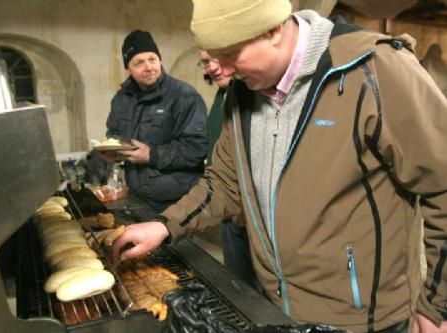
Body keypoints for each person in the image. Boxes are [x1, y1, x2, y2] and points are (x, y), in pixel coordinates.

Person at [112, 2, 447, 332]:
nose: (221, 71)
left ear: (273, 30)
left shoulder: (373, 69)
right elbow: (225, 183)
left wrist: (438, 305)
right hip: (279, 310)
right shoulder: (242, 94)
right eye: (213, 58)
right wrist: (163, 226)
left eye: (229, 55)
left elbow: (442, 182)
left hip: (366, 321)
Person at [103, 30, 208, 213]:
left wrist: (151, 154)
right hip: (137, 197)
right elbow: (114, 133)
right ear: (128, 68)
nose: (149, 67)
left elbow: (195, 150)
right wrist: (112, 151)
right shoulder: (121, 99)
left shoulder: (184, 96)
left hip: (178, 202)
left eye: (152, 59)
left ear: (160, 60)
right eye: (139, 62)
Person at [198, 50, 258, 289]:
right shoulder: (222, 96)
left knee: (256, 288)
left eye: (216, 59)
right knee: (237, 282)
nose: (211, 67)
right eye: (205, 62)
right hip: (228, 208)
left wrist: (245, 203)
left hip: (247, 210)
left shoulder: (252, 96)